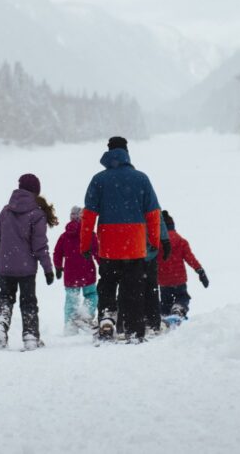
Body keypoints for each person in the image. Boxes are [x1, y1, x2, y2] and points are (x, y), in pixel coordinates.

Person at [80, 136, 162, 343]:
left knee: (107, 283)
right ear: (127, 152)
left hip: (108, 244)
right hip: (134, 245)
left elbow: (88, 215)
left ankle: (107, 318)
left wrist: (85, 243)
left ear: (108, 152)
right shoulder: (141, 178)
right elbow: (153, 213)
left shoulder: (98, 179)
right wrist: (155, 240)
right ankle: (134, 329)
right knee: (133, 287)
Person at [0, 173, 56, 351]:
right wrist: (48, 269)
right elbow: (40, 245)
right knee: (28, 302)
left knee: (5, 299)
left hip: (6, 268)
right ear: (36, 191)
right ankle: (30, 336)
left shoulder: (6, 210)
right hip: (26, 270)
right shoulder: (37, 213)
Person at [53, 205, 99, 334]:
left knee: (71, 300)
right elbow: (97, 251)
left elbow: (57, 252)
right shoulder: (90, 234)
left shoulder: (64, 236)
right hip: (87, 272)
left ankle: (70, 326)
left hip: (70, 274)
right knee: (92, 295)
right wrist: (103, 265)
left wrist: (58, 266)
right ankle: (85, 315)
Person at [157, 210, 208, 320]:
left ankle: (164, 317)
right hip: (178, 279)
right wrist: (200, 271)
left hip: (163, 280)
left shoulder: (157, 242)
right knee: (183, 297)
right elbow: (190, 258)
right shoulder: (181, 241)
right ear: (172, 225)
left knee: (165, 302)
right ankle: (178, 309)